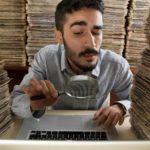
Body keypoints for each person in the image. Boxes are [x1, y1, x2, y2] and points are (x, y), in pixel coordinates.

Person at [11, 0, 133, 128]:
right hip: (55, 128)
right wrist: (33, 104)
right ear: (59, 37)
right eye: (78, 32)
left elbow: (141, 100)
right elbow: (15, 101)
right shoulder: (47, 58)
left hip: (98, 127)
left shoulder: (116, 65)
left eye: (96, 31)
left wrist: (121, 107)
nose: (91, 43)